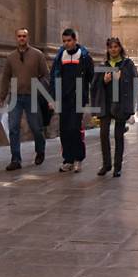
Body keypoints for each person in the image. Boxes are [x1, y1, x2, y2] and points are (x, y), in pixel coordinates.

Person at [0, 26, 49, 171]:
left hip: (32, 96)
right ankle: (15, 159)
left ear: (28, 38)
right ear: (16, 38)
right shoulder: (11, 57)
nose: (22, 39)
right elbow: (6, 77)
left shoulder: (38, 55)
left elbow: (46, 75)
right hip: (15, 97)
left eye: (24, 36)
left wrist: (40, 90)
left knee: (36, 128)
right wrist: (2, 95)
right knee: (13, 128)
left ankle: (40, 150)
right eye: (19, 36)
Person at [93, 37, 138, 176]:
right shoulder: (103, 65)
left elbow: (134, 83)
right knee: (103, 134)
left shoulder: (127, 64)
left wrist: (135, 106)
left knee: (118, 135)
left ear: (120, 48)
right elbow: (95, 85)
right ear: (108, 49)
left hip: (120, 104)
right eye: (110, 47)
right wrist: (104, 80)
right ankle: (106, 164)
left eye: (115, 47)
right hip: (106, 103)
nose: (113, 49)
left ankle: (117, 167)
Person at [48, 27, 94, 172]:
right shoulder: (60, 57)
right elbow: (54, 78)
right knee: (64, 129)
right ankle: (67, 159)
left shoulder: (85, 57)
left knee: (75, 128)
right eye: (64, 41)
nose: (66, 44)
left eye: (69, 40)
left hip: (78, 98)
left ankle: (78, 159)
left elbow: (91, 77)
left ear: (75, 40)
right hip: (63, 99)